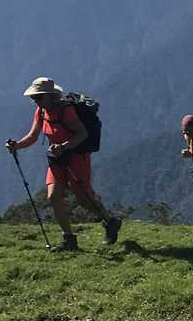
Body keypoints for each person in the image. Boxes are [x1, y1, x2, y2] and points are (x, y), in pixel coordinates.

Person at [7, 77, 120, 251]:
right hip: (56, 159)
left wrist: (64, 146)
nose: (35, 101)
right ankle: (69, 239)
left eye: (38, 97)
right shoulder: (41, 112)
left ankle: (110, 221)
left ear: (50, 96)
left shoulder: (66, 111)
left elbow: (82, 134)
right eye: (34, 98)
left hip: (76, 157)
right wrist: (17, 145)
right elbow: (33, 136)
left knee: (84, 198)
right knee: (53, 196)